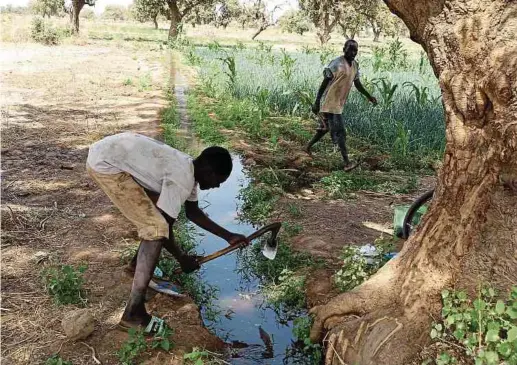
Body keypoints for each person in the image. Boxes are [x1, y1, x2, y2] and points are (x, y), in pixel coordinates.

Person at [86, 132, 248, 334]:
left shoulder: (189, 170)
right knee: (156, 229)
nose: (217, 186)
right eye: (218, 180)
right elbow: (165, 228)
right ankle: (133, 314)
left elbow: (193, 213)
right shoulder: (182, 179)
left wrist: (229, 236)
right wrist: (182, 258)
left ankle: (135, 266)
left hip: (109, 152)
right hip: (106, 165)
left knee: (155, 225)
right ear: (208, 171)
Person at [306, 39, 378, 171]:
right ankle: (347, 163)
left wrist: (369, 96)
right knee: (341, 132)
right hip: (330, 101)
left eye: (355, 50)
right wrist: (317, 101)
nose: (353, 52)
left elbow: (357, 84)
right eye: (350, 49)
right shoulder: (336, 64)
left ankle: (307, 147)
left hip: (339, 102)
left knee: (326, 128)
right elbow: (324, 83)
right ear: (344, 49)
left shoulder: (355, 65)